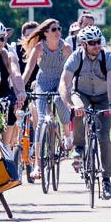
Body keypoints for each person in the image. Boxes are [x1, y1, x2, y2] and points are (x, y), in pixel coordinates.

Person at [59, 26, 111, 199]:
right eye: (91, 43)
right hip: (81, 94)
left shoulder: (108, 58)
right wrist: (70, 104)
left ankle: (106, 180)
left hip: (103, 97)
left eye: (98, 42)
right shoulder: (75, 57)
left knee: (104, 137)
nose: (96, 45)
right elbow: (64, 83)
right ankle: (78, 147)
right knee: (79, 110)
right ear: (83, 44)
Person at [22, 18, 71, 180]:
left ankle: (66, 136)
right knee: (42, 120)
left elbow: (72, 70)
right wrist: (20, 89)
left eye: (59, 28)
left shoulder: (65, 47)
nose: (58, 32)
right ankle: (37, 165)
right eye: (54, 29)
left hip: (60, 82)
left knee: (58, 100)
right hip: (42, 83)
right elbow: (29, 69)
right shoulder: (39, 47)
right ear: (45, 33)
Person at [0, 21, 27, 148]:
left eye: (2, 38)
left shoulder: (6, 54)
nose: (0, 43)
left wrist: (21, 91)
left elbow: (16, 73)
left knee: (12, 108)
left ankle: (6, 148)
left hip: (3, 92)